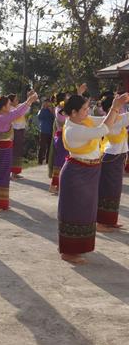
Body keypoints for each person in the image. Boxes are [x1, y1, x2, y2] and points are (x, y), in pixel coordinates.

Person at [58, 93, 128, 264]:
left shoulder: (83, 121)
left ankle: (78, 248)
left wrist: (117, 110)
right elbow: (102, 130)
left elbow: (114, 122)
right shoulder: (73, 129)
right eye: (84, 109)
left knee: (86, 213)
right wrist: (114, 107)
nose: (87, 111)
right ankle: (68, 251)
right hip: (76, 174)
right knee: (75, 213)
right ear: (73, 112)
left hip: (89, 172)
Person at [0, 90, 38, 212]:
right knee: (1, 176)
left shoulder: (0, 115)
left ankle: (2, 203)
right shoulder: (1, 118)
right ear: (4, 107)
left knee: (3, 176)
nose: (11, 107)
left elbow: (17, 111)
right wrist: (29, 100)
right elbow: (18, 112)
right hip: (2, 149)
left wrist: (28, 100)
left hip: (4, 148)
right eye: (9, 104)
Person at [96, 92, 129, 231]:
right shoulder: (112, 121)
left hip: (116, 157)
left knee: (114, 191)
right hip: (111, 157)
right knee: (108, 190)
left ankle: (110, 220)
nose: (122, 108)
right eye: (119, 106)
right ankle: (101, 222)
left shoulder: (116, 119)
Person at [9, 93, 27, 179]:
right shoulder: (11, 109)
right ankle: (11, 172)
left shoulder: (18, 107)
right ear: (11, 102)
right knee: (14, 152)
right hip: (14, 131)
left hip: (20, 131)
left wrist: (29, 97)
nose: (18, 101)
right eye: (16, 99)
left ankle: (15, 172)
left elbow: (26, 107)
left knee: (18, 152)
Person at [37, 99, 55, 165]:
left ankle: (48, 161)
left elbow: (56, 118)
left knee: (50, 147)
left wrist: (52, 111)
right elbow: (39, 117)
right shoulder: (42, 110)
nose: (47, 104)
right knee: (42, 146)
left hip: (51, 131)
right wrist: (42, 109)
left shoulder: (52, 110)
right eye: (46, 103)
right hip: (43, 131)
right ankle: (40, 161)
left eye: (48, 103)